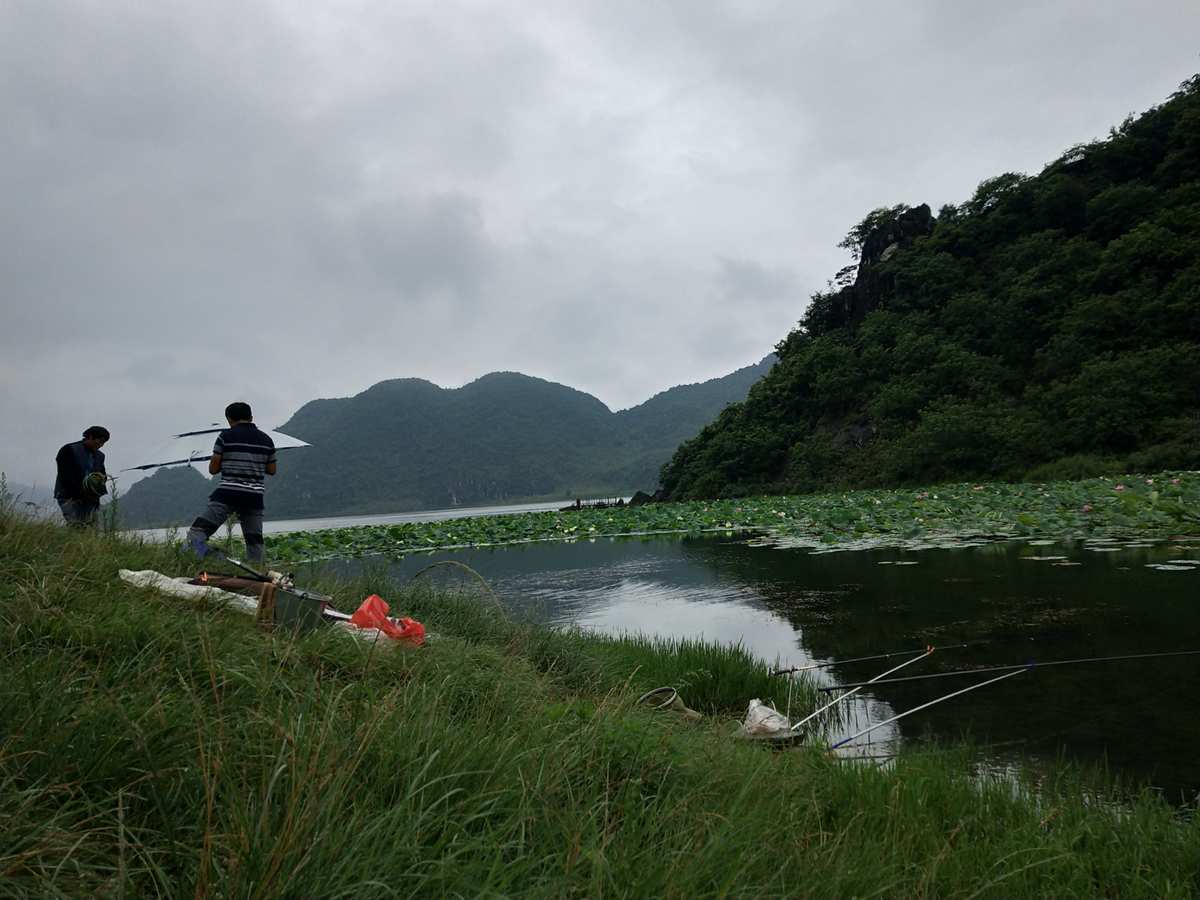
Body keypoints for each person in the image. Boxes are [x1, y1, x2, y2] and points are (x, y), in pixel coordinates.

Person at [186, 402, 277, 564]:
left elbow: (213, 469)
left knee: (196, 534)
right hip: (254, 497)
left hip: (227, 495)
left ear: (229, 419)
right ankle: (258, 575)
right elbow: (271, 469)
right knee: (254, 541)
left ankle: (217, 558)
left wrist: (222, 459)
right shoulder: (267, 440)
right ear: (251, 417)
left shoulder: (225, 437)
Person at [54, 426, 110, 526]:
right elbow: (64, 475)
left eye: (103, 443)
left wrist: (100, 481)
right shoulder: (69, 449)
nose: (101, 445)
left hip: (91, 500)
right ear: (90, 437)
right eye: (99, 441)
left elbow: (102, 475)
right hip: (69, 497)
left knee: (91, 530)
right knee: (76, 526)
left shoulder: (100, 456)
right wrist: (79, 491)